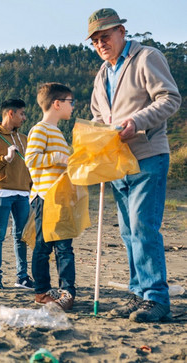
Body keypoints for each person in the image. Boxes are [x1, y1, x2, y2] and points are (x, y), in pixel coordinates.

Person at [86, 8, 181, 322]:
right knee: (128, 232)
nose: (101, 43)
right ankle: (139, 294)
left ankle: (157, 299)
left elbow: (170, 98)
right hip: (117, 165)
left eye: (106, 36)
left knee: (143, 227)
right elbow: (100, 120)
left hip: (149, 156)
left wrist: (136, 122)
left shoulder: (147, 57)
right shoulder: (102, 75)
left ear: (121, 32)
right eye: (96, 40)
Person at [25, 82, 76, 311]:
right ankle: (42, 292)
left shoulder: (57, 132)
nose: (72, 107)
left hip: (61, 198)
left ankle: (67, 292)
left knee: (65, 246)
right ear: (57, 104)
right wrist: (57, 157)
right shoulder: (40, 129)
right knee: (44, 246)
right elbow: (31, 159)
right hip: (45, 197)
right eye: (70, 102)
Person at [0, 99, 34, 290]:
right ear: (10, 113)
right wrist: (6, 159)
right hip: (1, 192)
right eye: (21, 113)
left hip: (23, 194)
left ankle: (22, 277)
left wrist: (32, 187)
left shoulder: (25, 139)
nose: (24, 118)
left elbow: (30, 167)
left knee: (21, 236)